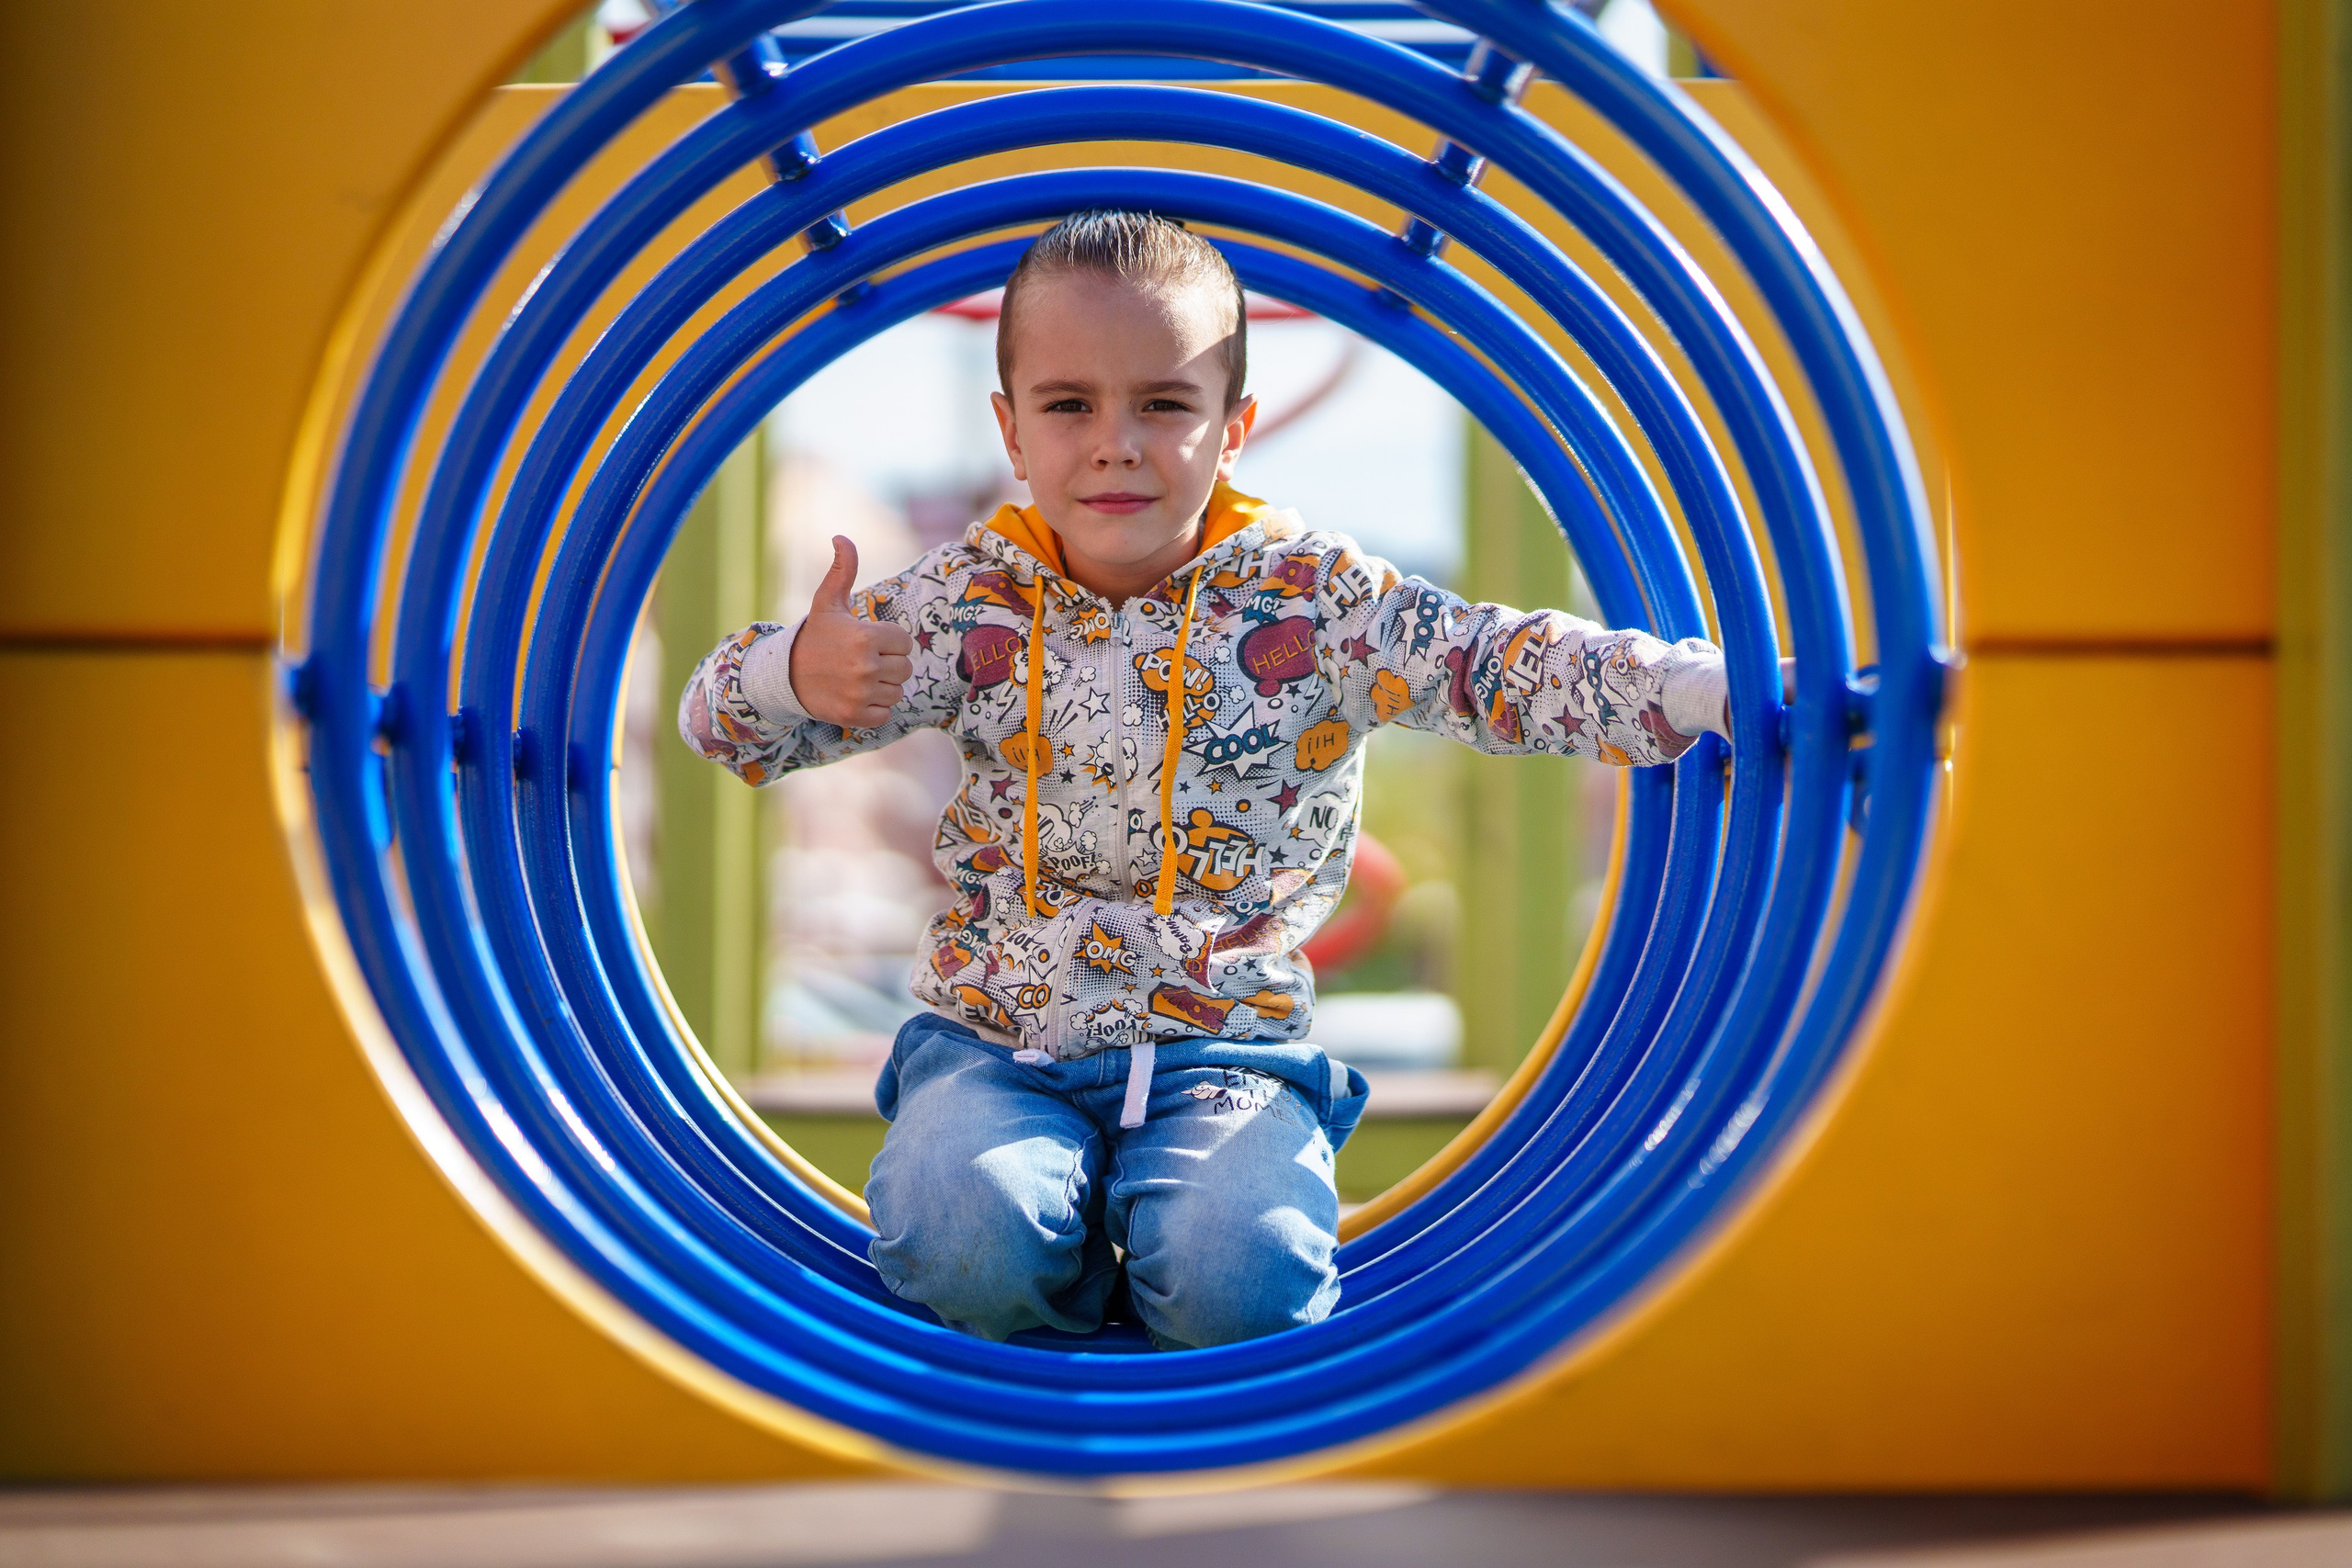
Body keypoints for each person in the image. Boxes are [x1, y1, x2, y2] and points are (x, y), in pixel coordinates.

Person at [679, 209, 1730, 1349]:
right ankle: (1065, 1295)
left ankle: (1172, 1284)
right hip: (993, 1044)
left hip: (1223, 1049)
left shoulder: (1313, 601)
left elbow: (1492, 663)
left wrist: (1691, 688)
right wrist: (792, 671)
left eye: (1164, 405)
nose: (1115, 443)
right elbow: (725, 731)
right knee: (961, 1239)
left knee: (1244, 1281)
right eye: (1069, 404)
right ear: (1012, 430)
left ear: (1233, 430)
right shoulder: (964, 604)